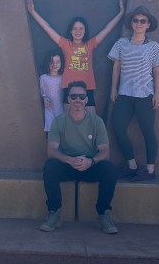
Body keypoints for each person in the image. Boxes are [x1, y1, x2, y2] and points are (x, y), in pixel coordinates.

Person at [39, 80, 119, 234]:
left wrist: (91, 161)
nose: (77, 100)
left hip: (89, 165)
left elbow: (105, 152)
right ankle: (54, 213)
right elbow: (51, 150)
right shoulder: (59, 121)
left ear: (86, 100)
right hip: (67, 164)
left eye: (81, 97)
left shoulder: (97, 122)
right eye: (74, 96)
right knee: (50, 166)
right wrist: (69, 159)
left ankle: (103, 214)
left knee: (109, 169)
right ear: (68, 99)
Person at [26, 0, 125, 113]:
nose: (78, 31)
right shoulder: (65, 44)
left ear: (85, 31)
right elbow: (48, 28)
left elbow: (107, 29)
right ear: (70, 31)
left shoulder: (90, 44)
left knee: (90, 120)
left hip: (87, 87)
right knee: (69, 122)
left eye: (81, 29)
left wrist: (121, 13)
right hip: (69, 87)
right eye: (75, 28)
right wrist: (32, 12)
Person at [108, 5, 159, 181]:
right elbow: (116, 66)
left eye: (143, 21)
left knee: (148, 131)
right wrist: (113, 89)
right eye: (136, 20)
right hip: (125, 94)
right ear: (131, 23)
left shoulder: (154, 47)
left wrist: (157, 94)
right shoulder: (121, 44)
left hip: (145, 94)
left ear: (148, 24)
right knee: (118, 127)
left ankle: (150, 170)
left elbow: (157, 71)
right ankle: (132, 166)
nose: (139, 23)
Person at [38, 49, 64, 134]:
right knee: (52, 135)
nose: (55, 64)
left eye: (57, 62)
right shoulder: (43, 78)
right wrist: (44, 98)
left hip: (62, 110)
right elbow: (42, 93)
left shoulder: (63, 77)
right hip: (49, 110)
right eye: (52, 62)